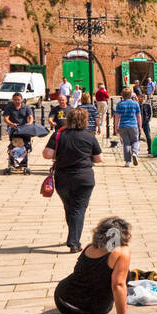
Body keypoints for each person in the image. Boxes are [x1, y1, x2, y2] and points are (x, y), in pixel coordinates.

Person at [43, 108, 104, 252]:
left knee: (70, 207)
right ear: (84, 121)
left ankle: (73, 235)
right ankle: (74, 242)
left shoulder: (58, 135)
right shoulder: (89, 136)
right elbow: (99, 158)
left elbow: (47, 154)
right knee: (78, 209)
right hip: (84, 178)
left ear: (68, 119)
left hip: (63, 177)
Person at [54, 216, 132, 314]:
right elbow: (118, 284)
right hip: (91, 309)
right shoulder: (122, 251)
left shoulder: (89, 247)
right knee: (125, 273)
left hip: (62, 300)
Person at [114, 88, 142, 166]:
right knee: (135, 141)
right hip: (133, 125)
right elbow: (139, 116)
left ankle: (128, 162)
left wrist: (116, 127)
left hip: (123, 125)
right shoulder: (135, 104)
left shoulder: (120, 104)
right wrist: (140, 126)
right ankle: (134, 153)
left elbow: (117, 117)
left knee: (126, 143)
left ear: (122, 95)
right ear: (131, 95)